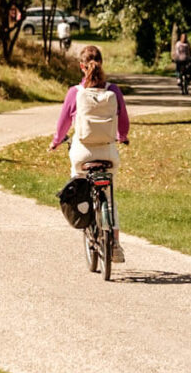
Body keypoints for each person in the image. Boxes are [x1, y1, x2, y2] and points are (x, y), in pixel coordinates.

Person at [48, 45, 130, 262]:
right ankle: (115, 246)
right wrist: (122, 137)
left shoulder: (75, 93)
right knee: (110, 199)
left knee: (80, 188)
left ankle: (86, 222)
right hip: (108, 156)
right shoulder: (114, 91)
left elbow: (63, 124)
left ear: (81, 67)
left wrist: (56, 142)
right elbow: (124, 123)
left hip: (82, 156)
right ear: (102, 63)